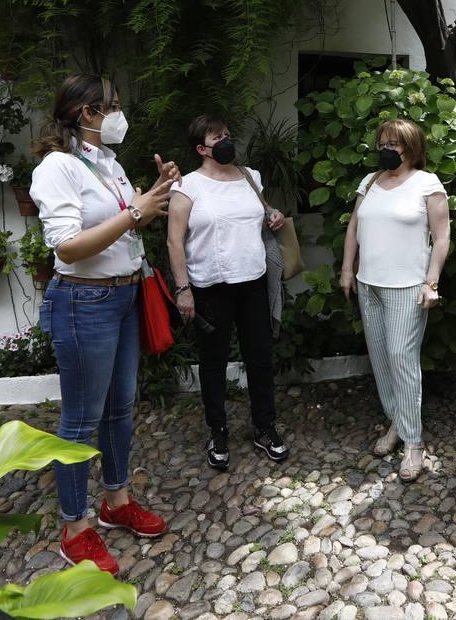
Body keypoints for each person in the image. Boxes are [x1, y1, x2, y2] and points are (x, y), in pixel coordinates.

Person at [30, 74, 181, 575]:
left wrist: (153, 198)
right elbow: (68, 247)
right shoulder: (58, 167)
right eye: (113, 106)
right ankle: (74, 529)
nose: (120, 114)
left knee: (120, 408)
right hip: (83, 301)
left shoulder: (109, 164)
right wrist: (136, 212)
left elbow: (122, 227)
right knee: (80, 419)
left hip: (124, 295)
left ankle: (115, 502)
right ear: (87, 114)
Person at [167, 115, 289, 472]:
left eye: (228, 135)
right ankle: (217, 430)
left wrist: (274, 215)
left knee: (261, 357)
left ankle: (264, 427)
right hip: (209, 286)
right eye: (216, 137)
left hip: (253, 281)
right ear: (201, 148)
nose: (225, 140)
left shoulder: (251, 177)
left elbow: (263, 212)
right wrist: (183, 288)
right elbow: (175, 242)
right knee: (214, 362)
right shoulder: (188, 186)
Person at [340, 119, 450, 482]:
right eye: (383, 142)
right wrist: (346, 269)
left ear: (411, 148)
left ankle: (414, 442)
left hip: (407, 286)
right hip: (368, 283)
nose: (386, 148)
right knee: (381, 358)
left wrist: (431, 282)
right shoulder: (369, 183)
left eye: (395, 143)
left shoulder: (427, 184)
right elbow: (354, 227)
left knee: (402, 358)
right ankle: (397, 423)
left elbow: (442, 236)